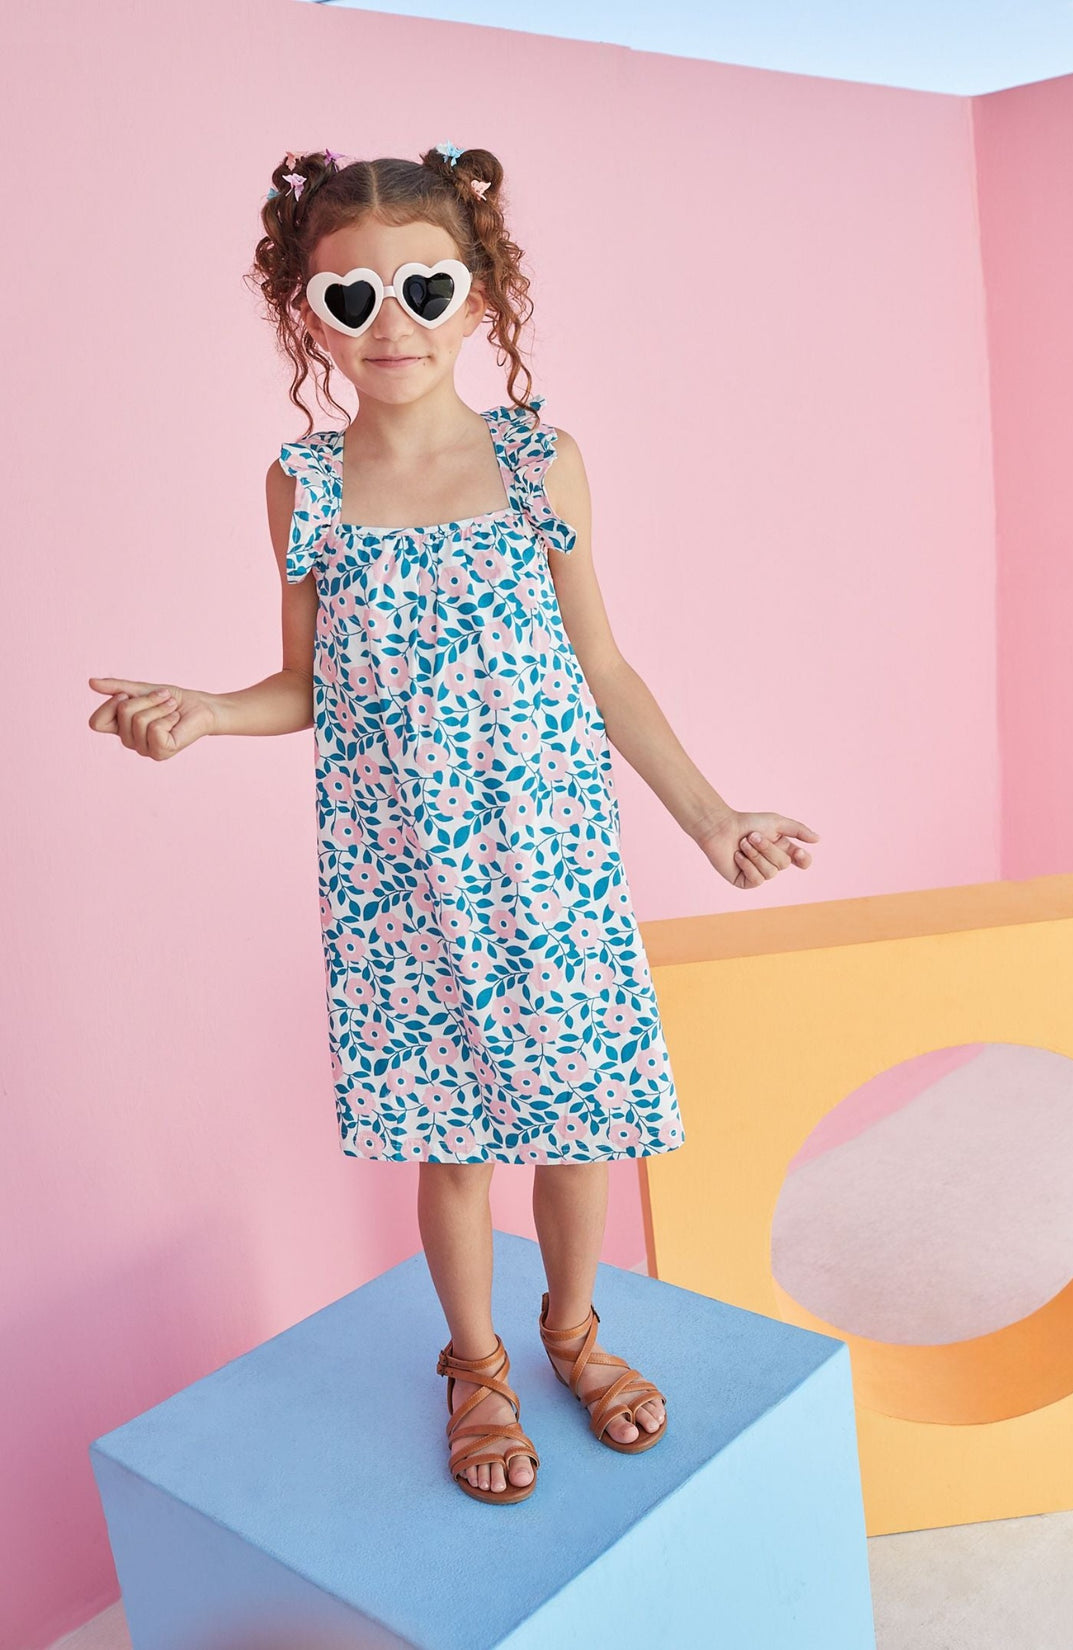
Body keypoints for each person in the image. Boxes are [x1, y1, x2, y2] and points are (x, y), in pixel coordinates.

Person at [88, 142, 820, 1507]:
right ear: (306, 314)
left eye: (423, 287)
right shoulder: (301, 487)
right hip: (399, 872)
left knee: (583, 1123)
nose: (392, 324)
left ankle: (574, 1328)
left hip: (548, 858)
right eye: (348, 298)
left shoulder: (542, 460)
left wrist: (713, 818)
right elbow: (309, 685)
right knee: (455, 1138)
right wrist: (199, 709)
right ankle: (477, 1361)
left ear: (477, 297)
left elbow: (604, 665)